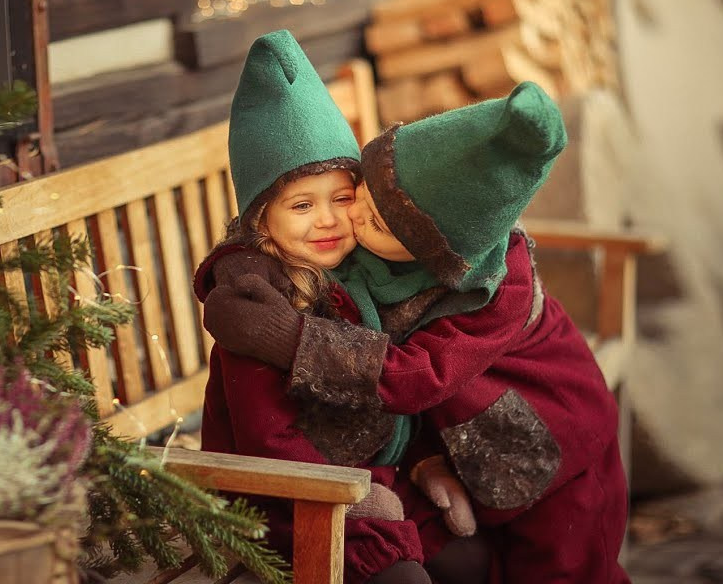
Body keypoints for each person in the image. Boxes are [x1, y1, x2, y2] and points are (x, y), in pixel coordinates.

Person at [204, 82, 631, 584]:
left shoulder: (494, 292)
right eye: (366, 195)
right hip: (428, 443)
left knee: (563, 567)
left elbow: (411, 377)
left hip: (548, 440)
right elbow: (266, 249)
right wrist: (235, 270)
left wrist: (286, 337)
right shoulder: (356, 248)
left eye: (376, 223)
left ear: (432, 252)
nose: (352, 221)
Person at [195, 29, 489, 584]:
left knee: (476, 556)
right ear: (261, 221)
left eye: (342, 198)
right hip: (288, 499)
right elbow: (267, 442)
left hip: (374, 476)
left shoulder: (355, 273)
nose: (328, 220)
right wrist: (356, 497)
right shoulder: (255, 305)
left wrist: (422, 461)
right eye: (302, 205)